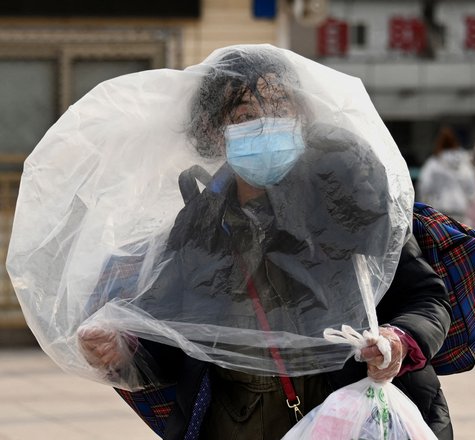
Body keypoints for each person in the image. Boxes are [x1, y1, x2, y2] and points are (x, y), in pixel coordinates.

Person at [77, 46, 454, 439]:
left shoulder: (348, 197)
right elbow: (172, 341)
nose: (265, 125)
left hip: (351, 423)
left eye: (279, 108)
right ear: (215, 132)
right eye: (244, 117)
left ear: (302, 115)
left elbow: (426, 299)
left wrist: (398, 341)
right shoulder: (200, 226)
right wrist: (122, 352)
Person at [416, 126, 475, 223]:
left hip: (440, 208)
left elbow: (424, 185)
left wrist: (425, 203)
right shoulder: (465, 162)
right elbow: (472, 186)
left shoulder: (433, 163)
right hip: (461, 208)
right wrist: (468, 200)